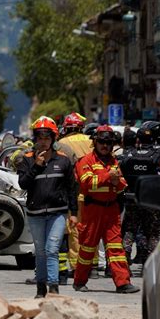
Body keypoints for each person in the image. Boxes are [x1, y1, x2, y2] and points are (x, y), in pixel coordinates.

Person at [74, 125, 139, 293]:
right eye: (102, 142)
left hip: (111, 211)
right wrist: (108, 177)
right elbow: (86, 183)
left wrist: (117, 183)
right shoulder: (86, 161)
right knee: (88, 247)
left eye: (108, 143)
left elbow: (121, 185)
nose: (105, 145)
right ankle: (79, 281)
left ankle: (123, 283)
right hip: (92, 210)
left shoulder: (114, 161)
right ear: (95, 142)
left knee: (116, 247)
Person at [17, 116, 78, 297]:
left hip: (57, 213)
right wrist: (36, 166)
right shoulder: (27, 160)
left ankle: (53, 287)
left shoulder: (63, 161)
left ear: (53, 139)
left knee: (52, 249)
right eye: (40, 138)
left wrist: (73, 213)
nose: (43, 142)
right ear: (35, 139)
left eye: (47, 138)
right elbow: (23, 184)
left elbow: (71, 188)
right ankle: (40, 288)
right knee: (41, 252)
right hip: (35, 214)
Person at [120, 122, 160, 265]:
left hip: (132, 198)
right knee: (153, 232)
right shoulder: (159, 155)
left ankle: (124, 259)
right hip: (151, 201)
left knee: (129, 229)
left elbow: (121, 173)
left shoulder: (128, 155)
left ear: (138, 139)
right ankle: (151, 262)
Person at [57, 112, 94, 281]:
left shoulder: (62, 143)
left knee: (74, 231)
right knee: (91, 228)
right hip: (94, 190)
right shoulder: (91, 141)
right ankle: (92, 264)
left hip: (75, 191)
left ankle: (77, 266)